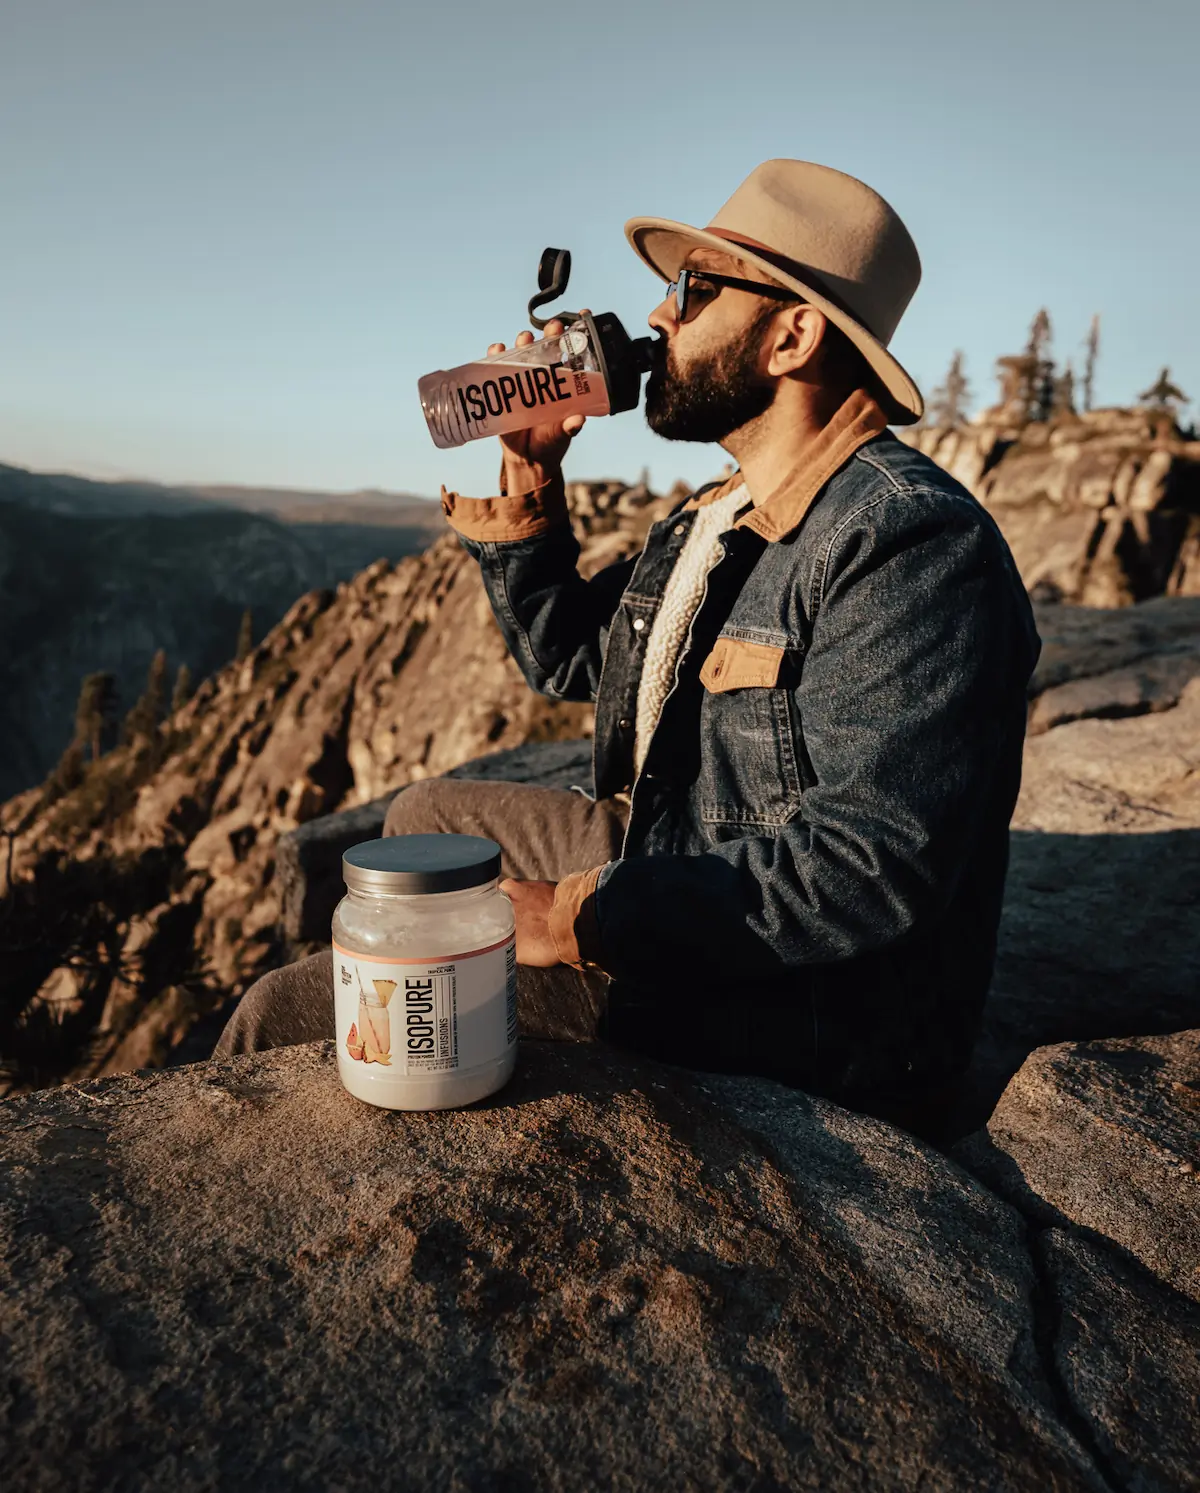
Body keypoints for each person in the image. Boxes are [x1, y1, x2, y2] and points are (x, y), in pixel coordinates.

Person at [217, 159, 1039, 1123]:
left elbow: (868, 869)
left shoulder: (911, 542)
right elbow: (567, 657)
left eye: (693, 289)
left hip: (798, 1008)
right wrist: (529, 474)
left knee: (285, 1008)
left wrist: (576, 919)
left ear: (792, 334)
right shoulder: (721, 515)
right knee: (426, 817)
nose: (657, 317)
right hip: (686, 843)